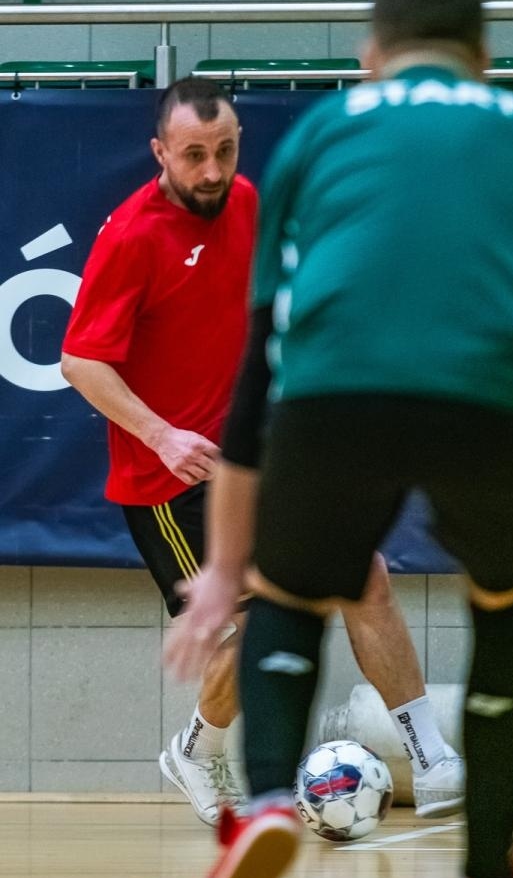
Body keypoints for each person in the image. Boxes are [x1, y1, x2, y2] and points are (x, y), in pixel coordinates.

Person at [164, 0, 513, 878]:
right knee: (509, 604)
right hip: (487, 398)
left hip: (331, 398)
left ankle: (266, 801)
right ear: (483, 59)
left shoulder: (321, 133)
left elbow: (260, 377)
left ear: (370, 58)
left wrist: (227, 569)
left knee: (286, 592)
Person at [61, 76, 464, 827]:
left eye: (224, 151)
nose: (212, 171)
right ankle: (196, 749)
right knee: (252, 627)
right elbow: (80, 361)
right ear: (159, 152)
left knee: (365, 575)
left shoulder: (249, 202)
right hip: (169, 478)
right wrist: (161, 433)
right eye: (193, 156)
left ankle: (433, 755)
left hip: (258, 456)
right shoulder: (131, 236)